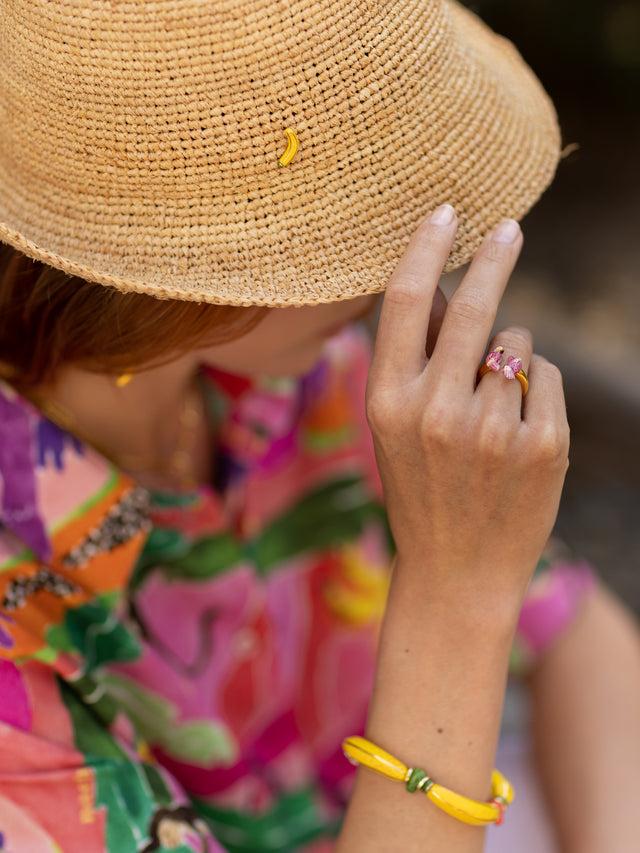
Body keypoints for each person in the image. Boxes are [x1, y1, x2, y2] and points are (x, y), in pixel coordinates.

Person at [0, 2, 638, 852]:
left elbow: (576, 629)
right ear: (174, 262)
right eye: (345, 228)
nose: (402, 270)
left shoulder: (306, 371)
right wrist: (457, 601)